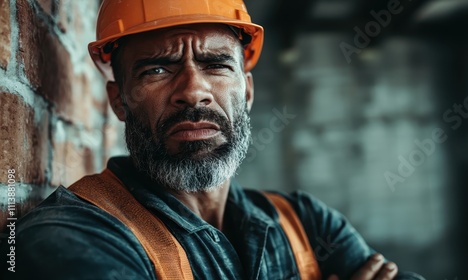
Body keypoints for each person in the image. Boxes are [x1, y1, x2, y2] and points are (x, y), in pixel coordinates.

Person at [1, 0, 425, 279]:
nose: (193, 89)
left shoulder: (306, 223)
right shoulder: (70, 239)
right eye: (157, 70)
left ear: (248, 91)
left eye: (216, 64)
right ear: (119, 100)